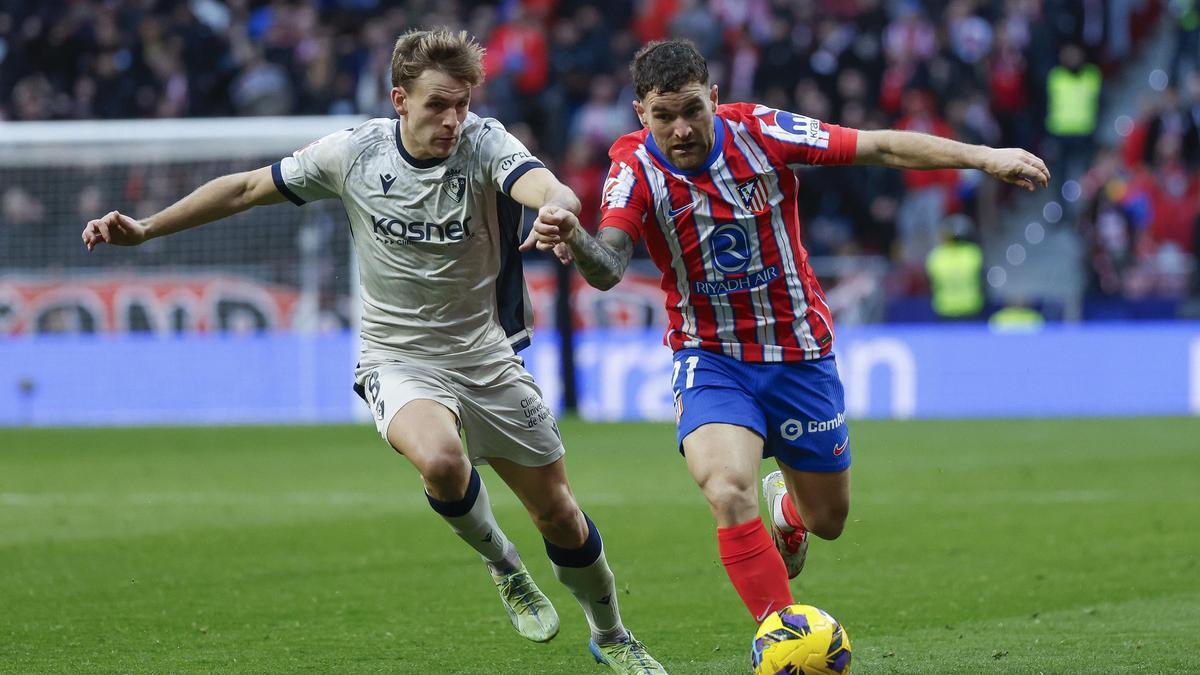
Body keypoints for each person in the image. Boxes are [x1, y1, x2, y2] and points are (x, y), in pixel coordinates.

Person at [81, 29, 666, 675]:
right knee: (441, 459)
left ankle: (610, 632)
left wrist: (557, 210)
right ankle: (505, 564)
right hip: (396, 355)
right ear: (398, 99)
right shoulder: (354, 153)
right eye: (438, 104)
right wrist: (147, 227)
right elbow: (247, 188)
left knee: (558, 511)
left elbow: (549, 188)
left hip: (486, 355)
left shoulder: (484, 142)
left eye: (462, 104)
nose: (453, 119)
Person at [525, 39, 1048, 625]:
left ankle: (788, 510)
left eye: (692, 110)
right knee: (726, 488)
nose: (680, 129)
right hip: (711, 355)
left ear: (714, 99)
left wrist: (983, 156)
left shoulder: (760, 131)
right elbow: (610, 265)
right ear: (640, 114)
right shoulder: (633, 167)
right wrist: (574, 235)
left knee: (827, 520)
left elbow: (878, 147)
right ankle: (782, 634)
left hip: (799, 350)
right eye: (663, 116)